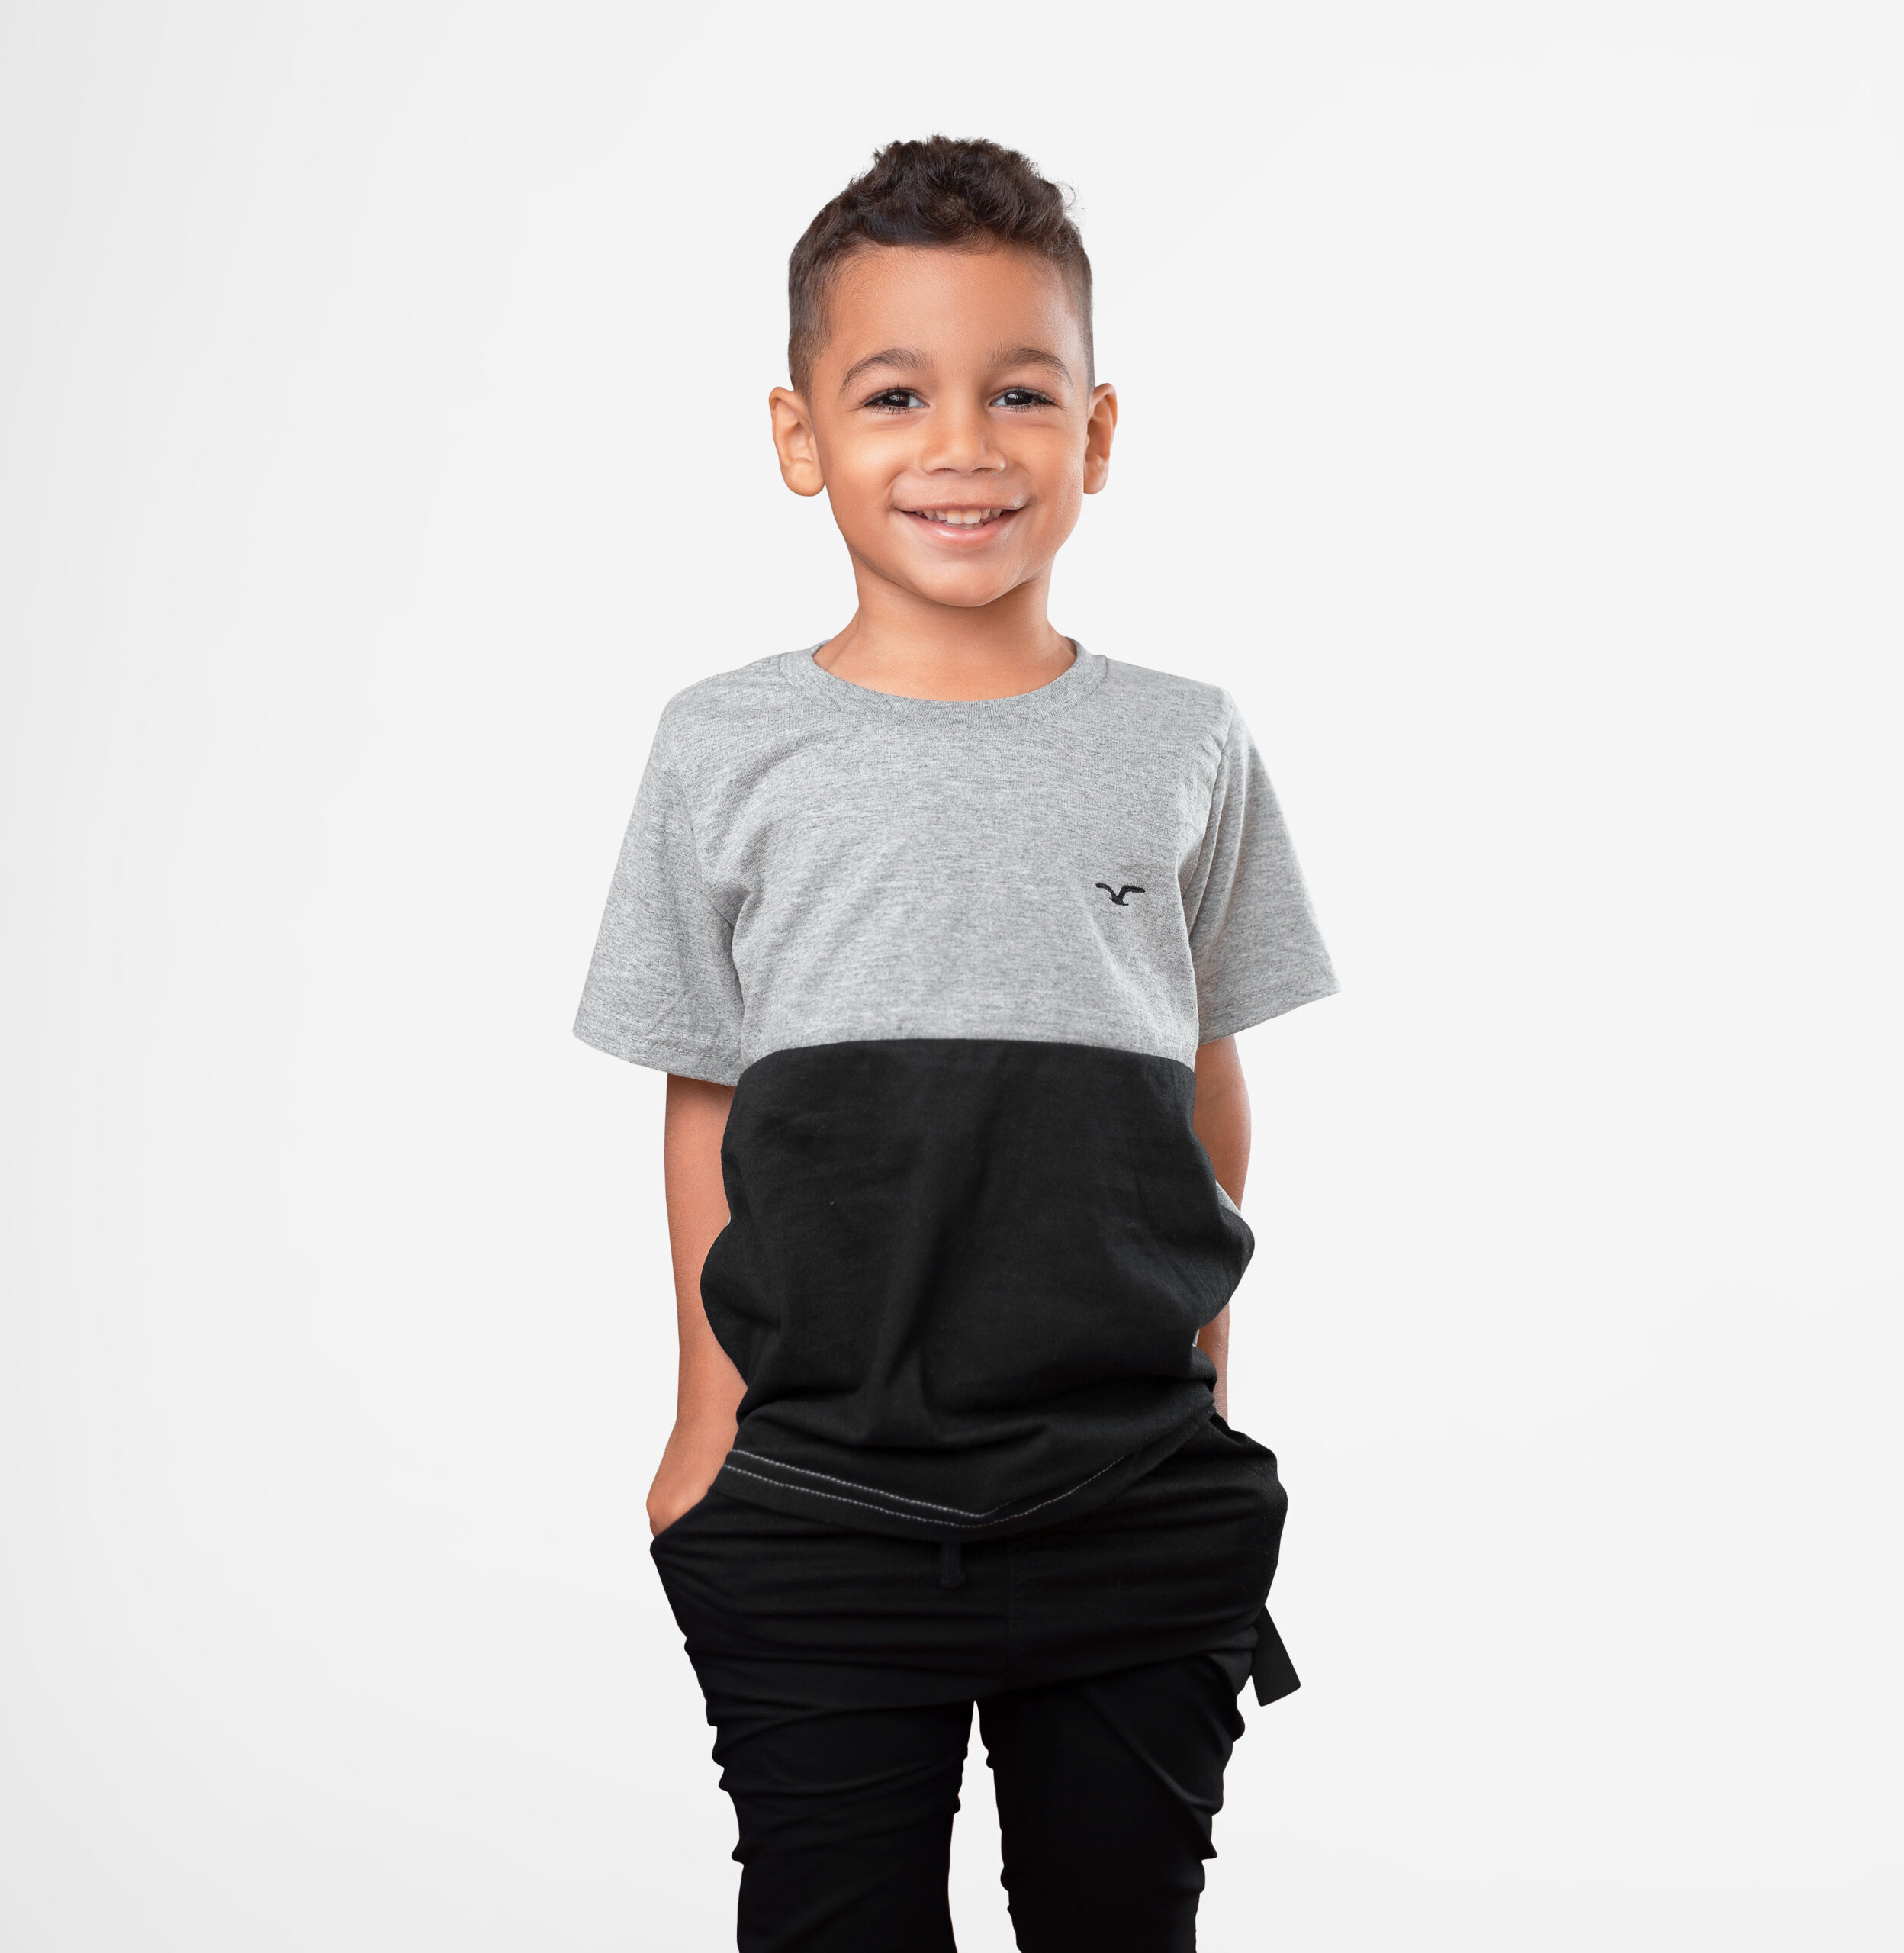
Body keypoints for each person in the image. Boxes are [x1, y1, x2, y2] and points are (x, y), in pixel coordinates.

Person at [574, 135, 1337, 1953]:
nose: (963, 445)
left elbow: (1197, 1077)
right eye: (894, 393)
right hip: (815, 1497)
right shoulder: (719, 745)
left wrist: (1205, 1391)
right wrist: (702, 1425)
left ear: (1095, 431)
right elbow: (707, 1090)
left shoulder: (1183, 739)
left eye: (1019, 391)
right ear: (798, 435)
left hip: (1132, 1494)